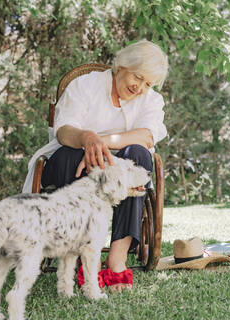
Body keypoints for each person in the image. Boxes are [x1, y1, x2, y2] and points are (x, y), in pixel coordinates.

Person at [22, 40, 169, 292]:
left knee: (139, 155)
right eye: (138, 77)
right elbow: (64, 129)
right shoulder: (86, 85)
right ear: (122, 65)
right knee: (70, 154)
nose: (140, 88)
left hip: (119, 166)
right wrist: (86, 140)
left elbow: (146, 136)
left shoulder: (152, 101)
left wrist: (103, 144)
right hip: (72, 158)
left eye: (148, 84)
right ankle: (83, 256)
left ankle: (117, 259)